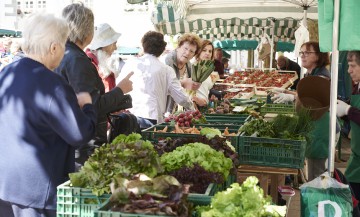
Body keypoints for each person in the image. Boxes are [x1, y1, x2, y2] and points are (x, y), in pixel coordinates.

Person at [0, 13, 96, 217]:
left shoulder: (5, 74)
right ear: (54, 47)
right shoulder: (53, 85)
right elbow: (79, 134)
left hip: (6, 184)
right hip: (37, 190)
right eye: (63, 45)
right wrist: (87, 106)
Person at [55, 3, 133, 165]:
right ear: (87, 31)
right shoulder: (77, 59)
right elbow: (92, 107)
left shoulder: (63, 54)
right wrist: (120, 90)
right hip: (84, 145)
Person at [272, 41, 333, 181]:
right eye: (301, 52)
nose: (303, 56)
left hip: (320, 127)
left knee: (317, 175)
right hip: (313, 126)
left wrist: (291, 97)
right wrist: (287, 91)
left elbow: (310, 101)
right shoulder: (310, 73)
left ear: (318, 56)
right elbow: (305, 94)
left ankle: (317, 202)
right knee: (312, 171)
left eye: (307, 52)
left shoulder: (322, 76)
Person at [116, 31, 195, 129]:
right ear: (162, 50)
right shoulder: (166, 70)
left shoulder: (131, 63)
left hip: (130, 116)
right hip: (151, 119)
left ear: (143, 46)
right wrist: (193, 110)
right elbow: (181, 96)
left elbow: (118, 87)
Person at [336, 51, 360, 201]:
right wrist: (344, 113)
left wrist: (348, 110)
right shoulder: (357, 87)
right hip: (357, 158)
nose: (348, 70)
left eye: (352, 66)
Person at [164, 33, 202, 113]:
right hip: (161, 108)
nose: (187, 53)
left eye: (191, 51)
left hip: (174, 110)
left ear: (193, 55)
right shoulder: (168, 61)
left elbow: (189, 91)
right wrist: (183, 83)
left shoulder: (189, 66)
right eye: (185, 48)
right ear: (178, 47)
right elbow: (165, 85)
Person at [86, 23, 125, 93]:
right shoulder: (91, 63)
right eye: (114, 44)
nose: (115, 48)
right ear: (106, 44)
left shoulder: (95, 61)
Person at [193, 39, 217, 107]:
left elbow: (204, 90)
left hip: (205, 107)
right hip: (195, 109)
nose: (207, 53)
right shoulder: (193, 68)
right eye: (204, 50)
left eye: (210, 51)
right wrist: (196, 100)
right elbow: (185, 92)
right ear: (198, 51)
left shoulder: (207, 69)